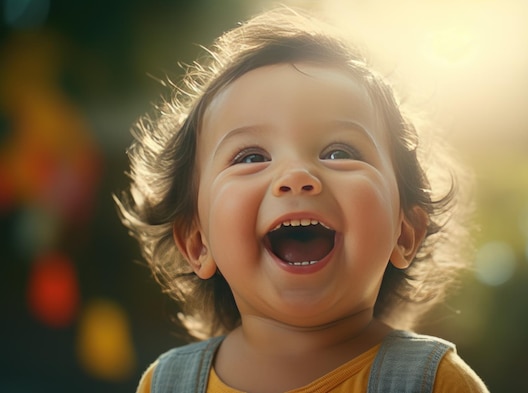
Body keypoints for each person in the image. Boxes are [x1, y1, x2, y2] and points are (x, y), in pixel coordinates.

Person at [117, 7, 488, 393]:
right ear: (197, 243)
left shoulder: (433, 383)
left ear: (405, 233)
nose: (296, 177)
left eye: (339, 152)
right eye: (251, 157)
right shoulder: (165, 385)